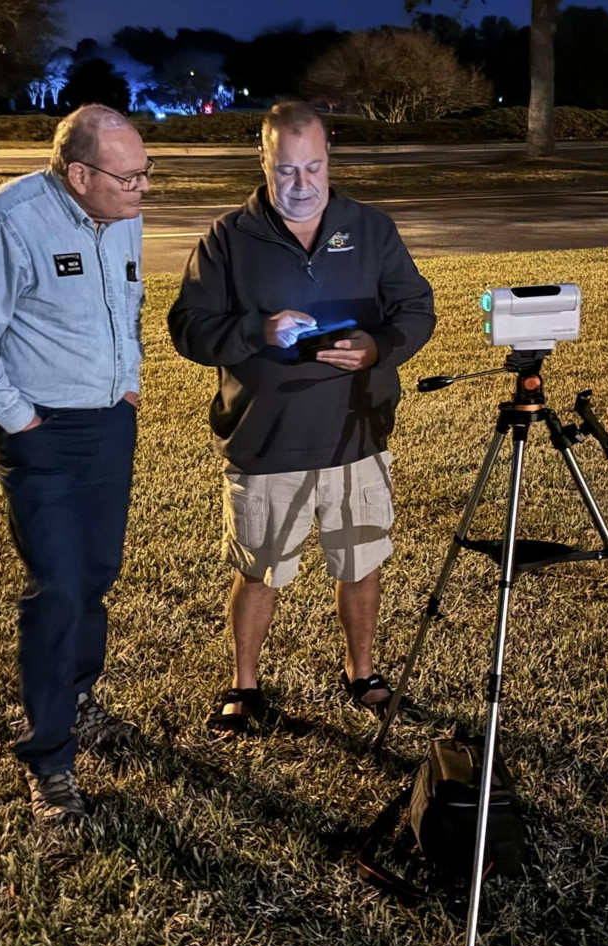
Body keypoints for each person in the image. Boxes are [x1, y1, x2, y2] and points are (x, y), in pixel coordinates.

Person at [168, 101, 435, 738]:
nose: (302, 183)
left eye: (313, 167)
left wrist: (377, 347)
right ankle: (245, 686)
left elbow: (416, 309)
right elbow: (187, 327)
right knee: (260, 567)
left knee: (361, 560)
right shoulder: (228, 237)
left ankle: (363, 674)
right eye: (287, 170)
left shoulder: (370, 229)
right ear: (263, 160)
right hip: (267, 436)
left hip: (355, 431)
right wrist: (254, 330)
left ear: (328, 159)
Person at [0, 105, 152, 821]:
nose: (142, 189)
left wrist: (129, 385)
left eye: (147, 173)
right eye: (130, 177)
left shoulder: (121, 211)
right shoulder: (10, 220)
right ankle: (49, 756)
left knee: (97, 574)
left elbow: (129, 302)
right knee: (57, 588)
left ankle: (79, 697)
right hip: (43, 432)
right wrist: (24, 419)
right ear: (79, 173)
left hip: (109, 423)